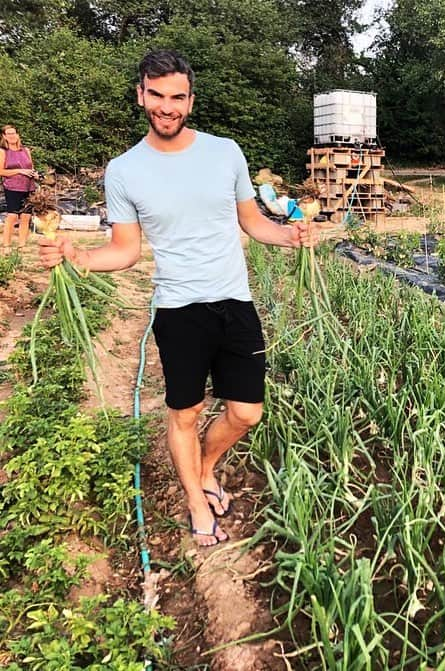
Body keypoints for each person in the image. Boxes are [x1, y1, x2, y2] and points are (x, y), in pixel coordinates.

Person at [38, 50, 314, 547]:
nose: (167, 107)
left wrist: (290, 235)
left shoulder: (225, 152)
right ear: (142, 94)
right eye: (157, 95)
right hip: (178, 309)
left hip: (234, 300)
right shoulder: (124, 170)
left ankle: (206, 466)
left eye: (177, 97)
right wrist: (75, 258)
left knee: (247, 411)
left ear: (191, 100)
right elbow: (125, 250)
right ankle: (194, 496)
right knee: (185, 413)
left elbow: (251, 222)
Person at [1, 125, 37, 251]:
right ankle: (6, 245)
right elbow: (1, 171)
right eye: (9, 134)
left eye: (14, 133)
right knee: (12, 216)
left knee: (26, 217)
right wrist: (20, 171)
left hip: (28, 186)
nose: (12, 136)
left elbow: (30, 168)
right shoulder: (3, 151)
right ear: (4, 136)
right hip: (12, 187)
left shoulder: (25, 150)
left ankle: (22, 245)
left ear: (18, 135)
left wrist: (35, 174)